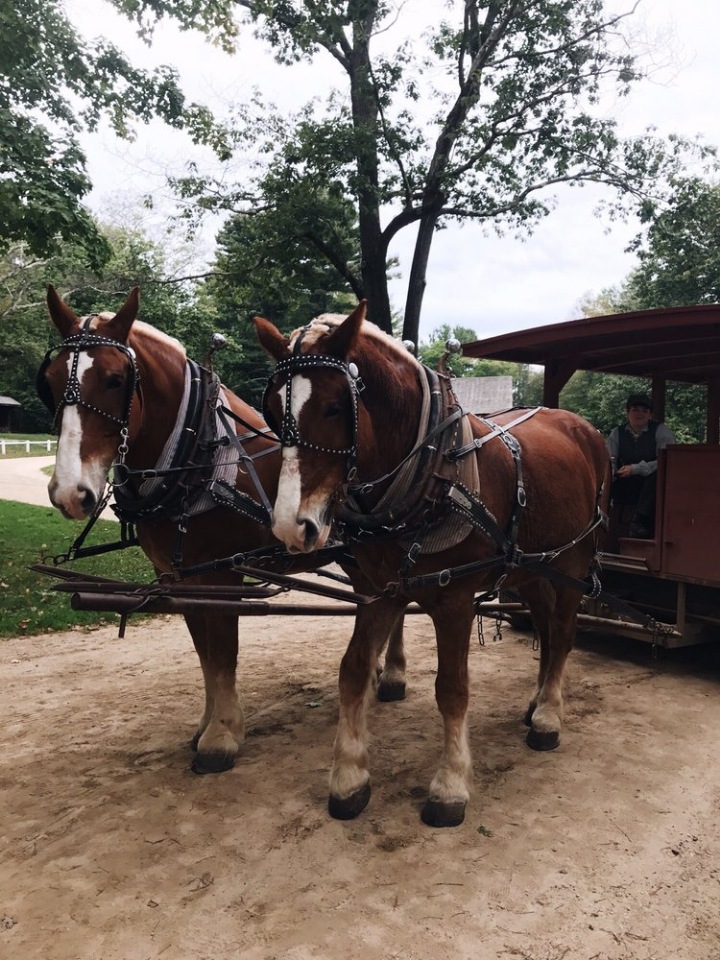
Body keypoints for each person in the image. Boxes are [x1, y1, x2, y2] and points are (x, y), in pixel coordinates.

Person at [606, 392, 676, 539]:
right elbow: (610, 459)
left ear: (650, 414)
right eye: (635, 409)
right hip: (627, 482)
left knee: (656, 477)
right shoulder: (616, 433)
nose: (640, 413)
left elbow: (666, 460)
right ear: (627, 412)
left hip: (654, 485)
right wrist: (612, 472)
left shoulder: (661, 431)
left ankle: (640, 521)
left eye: (645, 411)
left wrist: (636, 469)